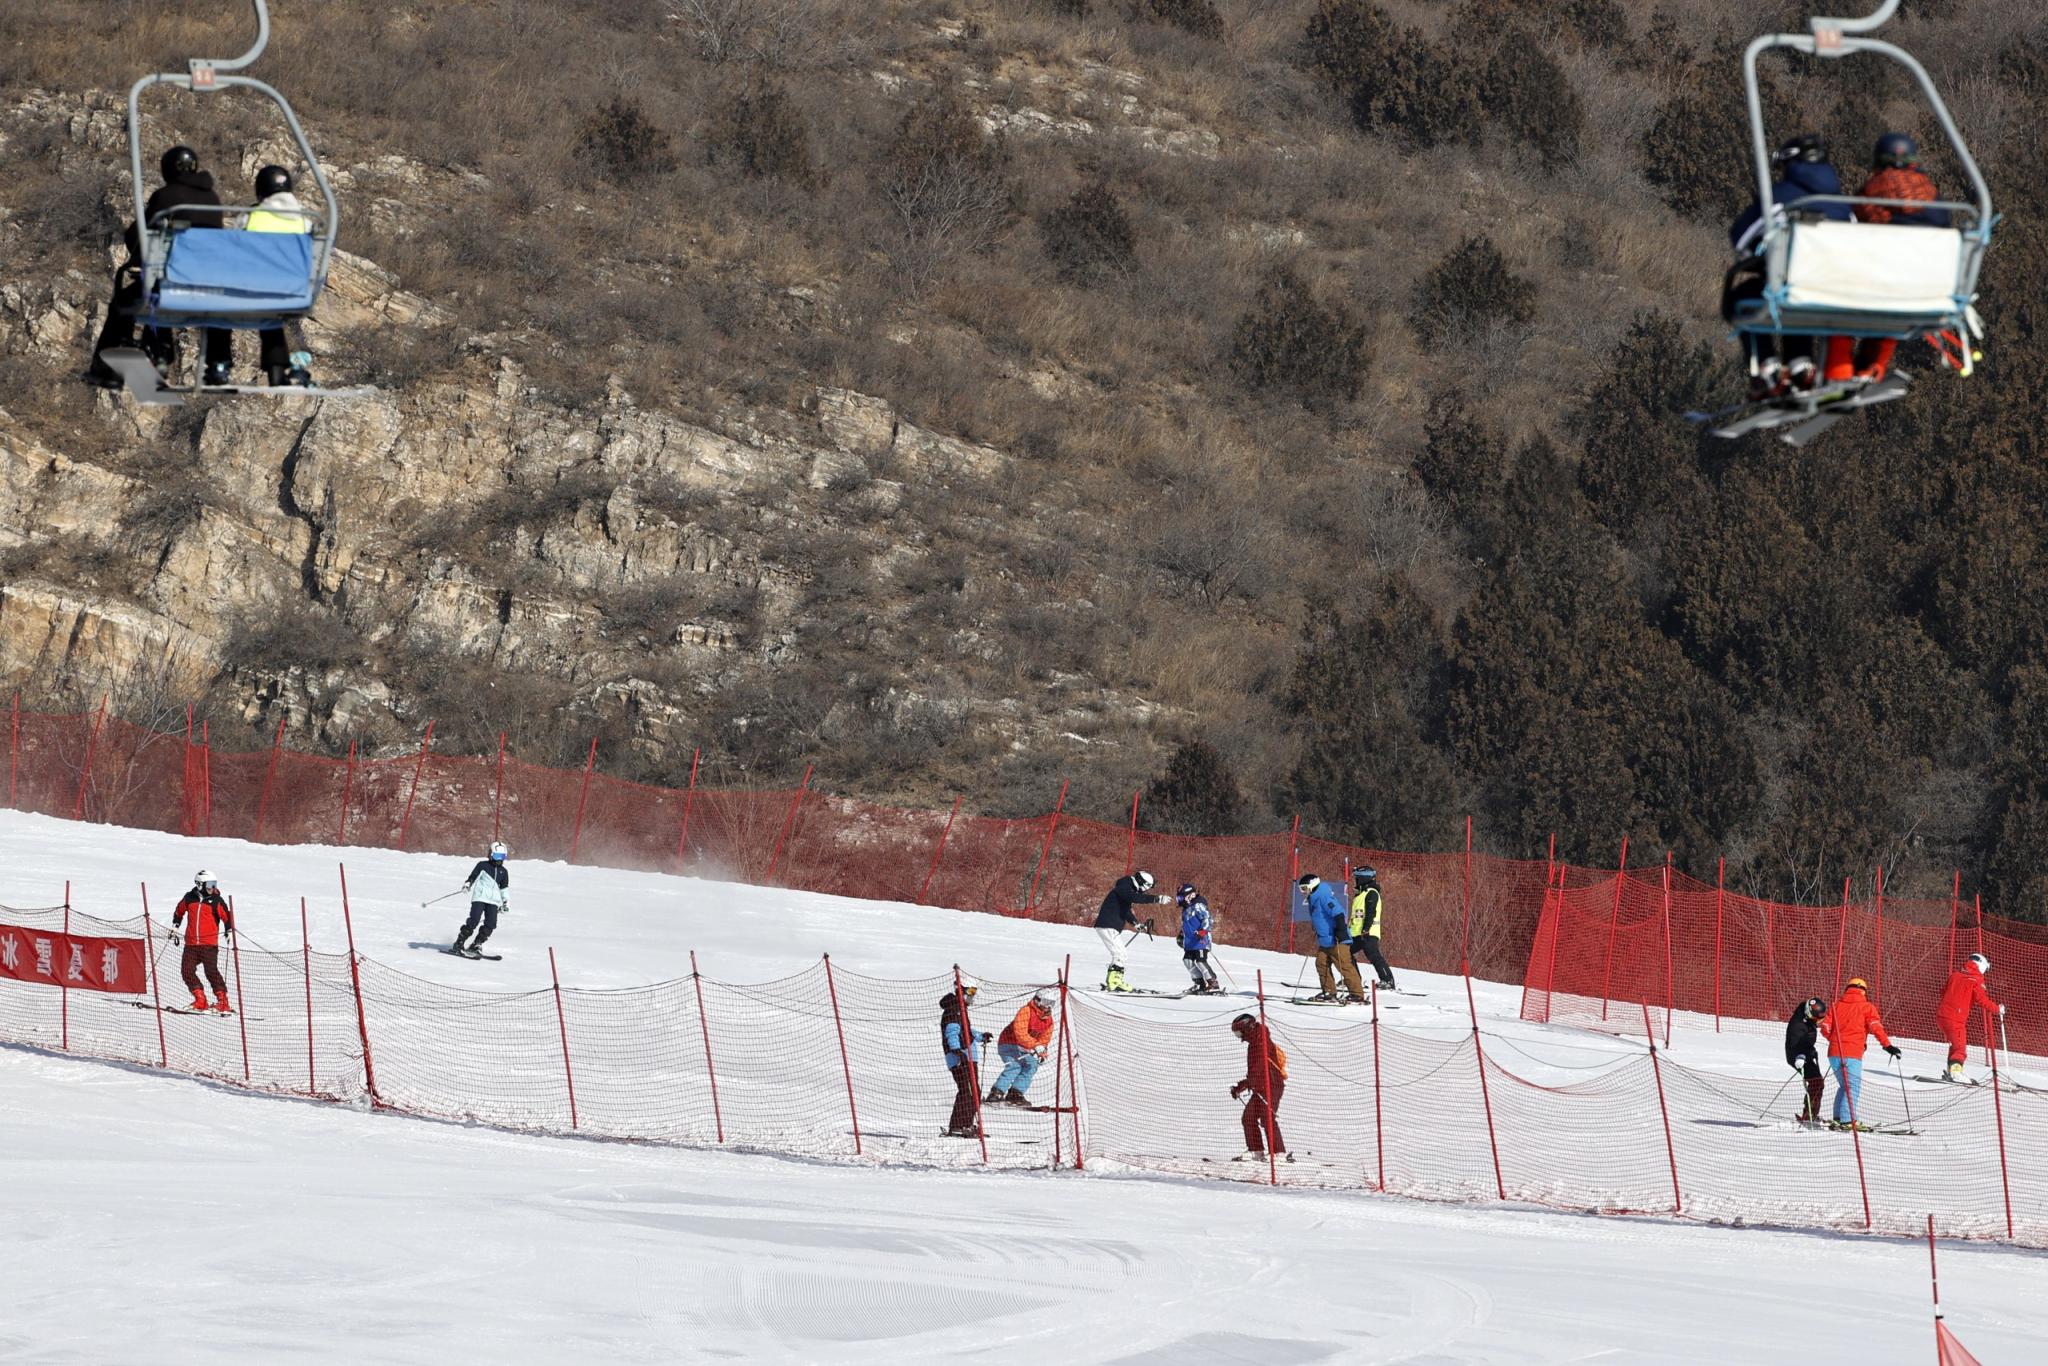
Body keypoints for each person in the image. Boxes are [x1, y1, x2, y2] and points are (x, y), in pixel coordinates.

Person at [85, 145, 234, 389]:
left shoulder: (166, 197)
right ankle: (212, 365)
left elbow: (141, 234)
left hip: (172, 282)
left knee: (125, 303)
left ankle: (109, 368)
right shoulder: (212, 200)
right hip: (207, 287)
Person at [1726, 134, 1855, 397]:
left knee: (1740, 300)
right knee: (1799, 300)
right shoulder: (1845, 207)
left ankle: (1767, 367)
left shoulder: (1780, 196)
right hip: (1833, 293)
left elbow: (1740, 237)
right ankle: (1799, 366)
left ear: (1790, 164)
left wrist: (1757, 252)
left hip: (1789, 287)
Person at [1850, 133, 1952, 381]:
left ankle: (1845, 369)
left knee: (1847, 317)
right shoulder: (1932, 195)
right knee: (1891, 319)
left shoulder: (1873, 190)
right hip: (1926, 282)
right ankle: (1872, 368)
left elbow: (1854, 220)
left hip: (1882, 277)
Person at [242, 164, 315, 388]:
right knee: (288, 319)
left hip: (260, 287)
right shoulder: (304, 219)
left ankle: (275, 369)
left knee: (269, 320)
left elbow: (237, 249)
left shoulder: (252, 217)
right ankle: (298, 363)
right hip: (295, 287)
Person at [1819, 977, 1900, 1131]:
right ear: (1863, 991)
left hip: (1834, 1052)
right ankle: (1847, 1121)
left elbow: (1825, 1027)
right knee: (1852, 1087)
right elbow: (1876, 1028)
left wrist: (1835, 1040)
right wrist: (1887, 1046)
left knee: (1844, 1086)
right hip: (1852, 1053)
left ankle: (1839, 1118)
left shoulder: (1836, 1006)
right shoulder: (1867, 1007)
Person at [170, 869, 236, 1013]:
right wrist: (175, 925)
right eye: (209, 885)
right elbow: (179, 911)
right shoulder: (189, 898)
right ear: (200, 885)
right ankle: (201, 1000)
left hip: (209, 945)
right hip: (191, 944)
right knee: (187, 971)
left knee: (211, 971)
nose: (213, 888)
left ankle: (223, 1002)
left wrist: (228, 930)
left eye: (214, 884)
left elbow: (227, 916)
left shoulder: (216, 901)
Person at [1094, 870, 1171, 992]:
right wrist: (1156, 899)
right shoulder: (1124, 887)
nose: (1145, 891)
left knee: (1120, 953)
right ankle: (1114, 983)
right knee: (1120, 954)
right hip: (1108, 925)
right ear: (1142, 883)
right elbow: (1134, 897)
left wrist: (1136, 924)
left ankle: (1113, 981)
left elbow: (1126, 911)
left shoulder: (1125, 889)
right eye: (1147, 888)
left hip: (1110, 925)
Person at [1227, 1013, 1289, 1162]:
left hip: (1272, 1085)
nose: (1238, 1036)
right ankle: (1256, 1150)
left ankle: (1278, 1153)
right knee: (1249, 1117)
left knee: (1267, 1118)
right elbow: (1255, 1073)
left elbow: (1257, 1071)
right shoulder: (1254, 1042)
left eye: (1239, 1032)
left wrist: (1241, 1087)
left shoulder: (1261, 1043)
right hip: (1260, 1086)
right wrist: (1242, 1086)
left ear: (1247, 1029)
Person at [1935, 952, 2002, 1082]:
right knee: (1960, 1047)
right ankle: (1955, 1073)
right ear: (1980, 966)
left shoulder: (1955, 975)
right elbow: (1982, 1000)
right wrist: (1997, 1009)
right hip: (1955, 1018)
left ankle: (1953, 1071)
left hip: (1942, 1016)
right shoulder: (1975, 979)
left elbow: (1942, 992)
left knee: (1955, 1045)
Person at [1300, 873, 1364, 1003]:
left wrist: (1340, 931)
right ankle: (1329, 991)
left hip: (1337, 939)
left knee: (1344, 965)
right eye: (1302, 889)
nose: (1303, 892)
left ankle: (1357, 994)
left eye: (1305, 888)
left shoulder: (1323, 896)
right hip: (1325, 940)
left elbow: (1339, 912)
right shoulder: (1313, 898)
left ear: (1312, 885)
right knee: (1321, 963)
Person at [989, 988, 1057, 1105]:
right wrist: (1035, 1046)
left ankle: (1015, 1094)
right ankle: (996, 1093)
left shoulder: (1049, 1021)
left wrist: (1042, 1053)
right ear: (1038, 1000)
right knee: (1015, 1066)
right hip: (1009, 1043)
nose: (1048, 1007)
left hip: (1025, 1047)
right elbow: (1020, 1033)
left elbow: (1044, 1041)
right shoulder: (1026, 1011)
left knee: (1032, 1065)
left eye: (1051, 1004)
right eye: (1046, 1002)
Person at [941, 982, 992, 1137]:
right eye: (969, 991)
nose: (972, 996)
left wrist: (980, 1036)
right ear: (960, 991)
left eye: (973, 992)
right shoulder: (954, 1009)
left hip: (967, 1056)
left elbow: (965, 1030)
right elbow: (951, 1031)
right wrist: (956, 1050)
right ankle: (958, 1126)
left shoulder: (960, 1009)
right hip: (960, 1058)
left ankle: (966, 1125)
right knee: (968, 1091)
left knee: (973, 1091)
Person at [452, 841, 511, 958]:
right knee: (474, 919)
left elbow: (504, 888)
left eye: (502, 857)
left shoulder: (503, 872)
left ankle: (477, 944)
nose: (499, 859)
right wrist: (468, 884)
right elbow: (473, 876)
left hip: (493, 901)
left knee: (491, 923)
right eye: (497, 856)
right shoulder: (483, 865)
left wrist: (506, 902)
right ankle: (459, 943)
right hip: (480, 897)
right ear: (490, 854)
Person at [1348, 866, 1396, 993]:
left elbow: (1371, 912)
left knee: (1373, 955)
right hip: (1357, 933)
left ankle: (1387, 980)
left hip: (1368, 932)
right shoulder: (1360, 894)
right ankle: (1354, 979)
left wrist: (1366, 928)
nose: (1356, 880)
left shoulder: (1371, 893)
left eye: (1357, 877)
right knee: (1346, 954)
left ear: (1364, 878)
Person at [1784, 995, 1829, 1125]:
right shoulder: (1798, 1025)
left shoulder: (1807, 1019)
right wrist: (1801, 1056)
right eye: (1816, 1018)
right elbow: (1796, 1043)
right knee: (1817, 1083)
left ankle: (1810, 1114)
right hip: (1798, 1056)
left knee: (1817, 1083)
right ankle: (1809, 1115)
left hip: (1806, 1054)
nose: (1818, 1021)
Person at [1176, 883, 1222, 995]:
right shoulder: (1186, 908)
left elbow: (1208, 919)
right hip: (1190, 941)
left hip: (1201, 939)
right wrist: (1182, 933)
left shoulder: (1198, 905)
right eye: (1179, 898)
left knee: (1200, 961)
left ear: (1190, 895)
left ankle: (1213, 983)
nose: (1179, 900)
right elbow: (1188, 923)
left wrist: (1203, 931)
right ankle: (1199, 983)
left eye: (1181, 897)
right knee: (1187, 961)